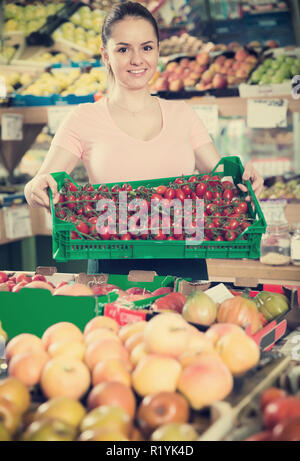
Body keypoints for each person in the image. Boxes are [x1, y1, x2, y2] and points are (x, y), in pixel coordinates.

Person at [24, 1, 264, 278]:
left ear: (158, 51)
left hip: (184, 265)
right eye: (123, 49)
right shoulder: (83, 118)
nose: (137, 59)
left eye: (146, 47)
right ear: (105, 55)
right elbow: (38, 186)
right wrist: (36, 188)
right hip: (112, 266)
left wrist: (244, 180)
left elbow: (223, 179)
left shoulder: (183, 115)